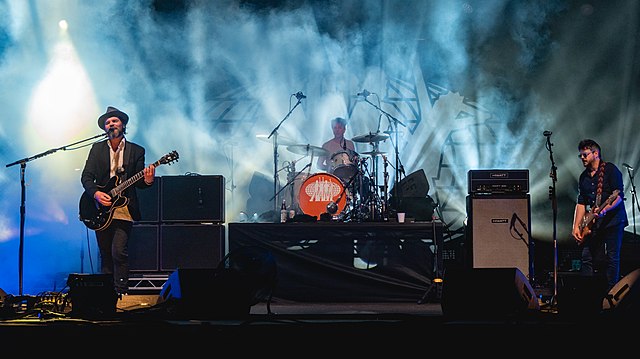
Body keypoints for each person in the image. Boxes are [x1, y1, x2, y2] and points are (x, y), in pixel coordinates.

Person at [81, 106, 156, 297]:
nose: (111, 124)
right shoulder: (97, 149)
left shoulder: (136, 150)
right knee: (105, 253)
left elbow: (139, 183)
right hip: (100, 206)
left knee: (118, 251)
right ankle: (106, 296)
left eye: (114, 121)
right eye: (107, 122)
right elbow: (86, 177)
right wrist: (96, 194)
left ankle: (122, 293)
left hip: (124, 207)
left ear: (123, 124)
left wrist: (147, 180)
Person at [572, 139, 628, 291]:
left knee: (612, 257)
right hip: (594, 222)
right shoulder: (583, 177)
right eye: (581, 156)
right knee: (586, 257)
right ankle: (587, 292)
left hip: (614, 220)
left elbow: (617, 196)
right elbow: (581, 203)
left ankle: (612, 294)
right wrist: (576, 226)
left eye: (585, 154)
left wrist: (605, 209)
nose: (582, 158)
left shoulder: (610, 170)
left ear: (595, 154)